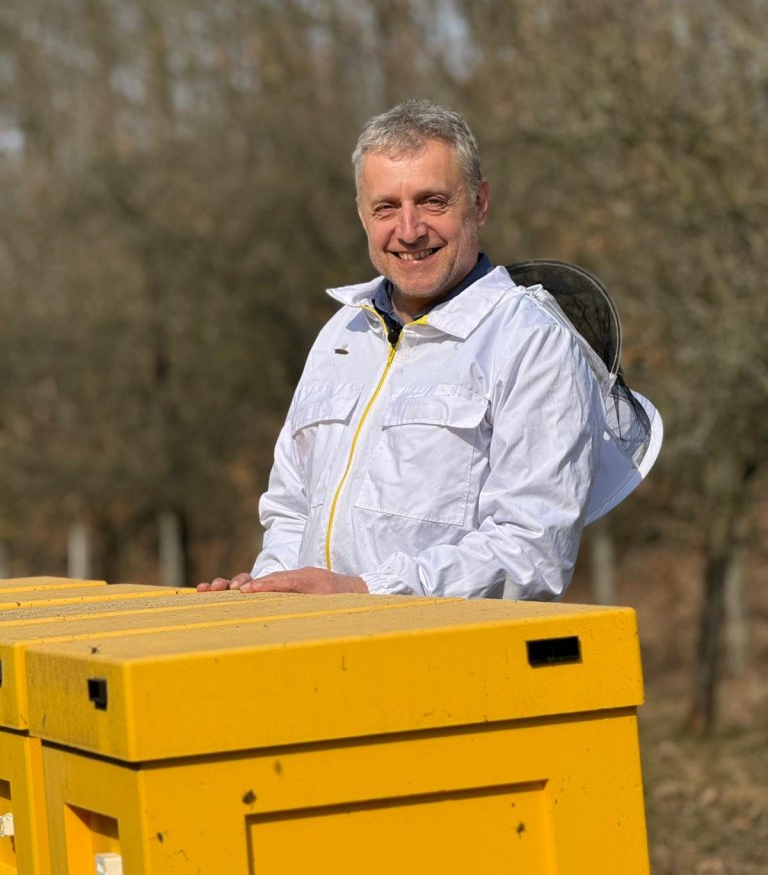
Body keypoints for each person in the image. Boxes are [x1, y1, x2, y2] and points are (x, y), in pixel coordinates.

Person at [198, 100, 628, 599]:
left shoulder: (533, 342)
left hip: (449, 666)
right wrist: (269, 588)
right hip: (315, 657)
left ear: (480, 203)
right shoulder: (341, 334)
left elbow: (531, 552)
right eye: (386, 207)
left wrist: (365, 592)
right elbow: (291, 509)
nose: (409, 230)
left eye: (432, 202)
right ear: (362, 214)